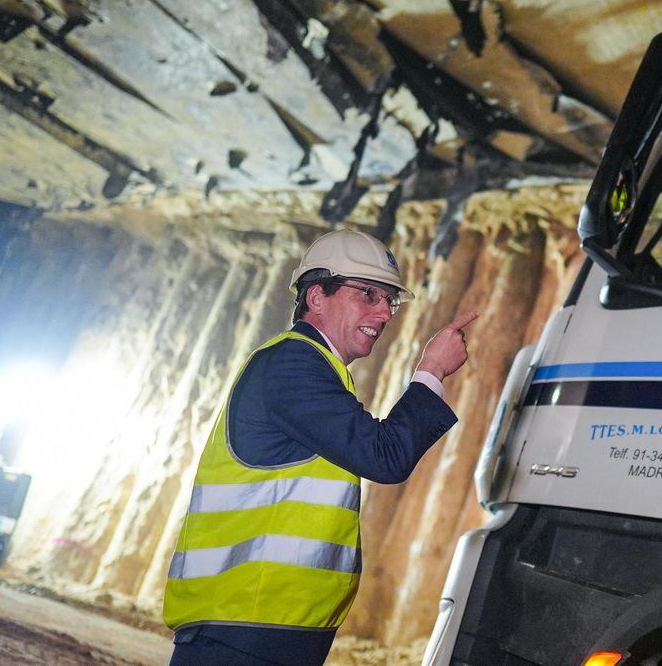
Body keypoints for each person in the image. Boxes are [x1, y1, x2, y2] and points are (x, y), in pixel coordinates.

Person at [163, 229, 479, 666]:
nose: (385, 312)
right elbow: (385, 456)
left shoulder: (320, 371)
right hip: (242, 630)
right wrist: (431, 372)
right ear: (316, 296)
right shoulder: (292, 365)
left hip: (269, 630)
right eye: (368, 293)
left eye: (391, 300)